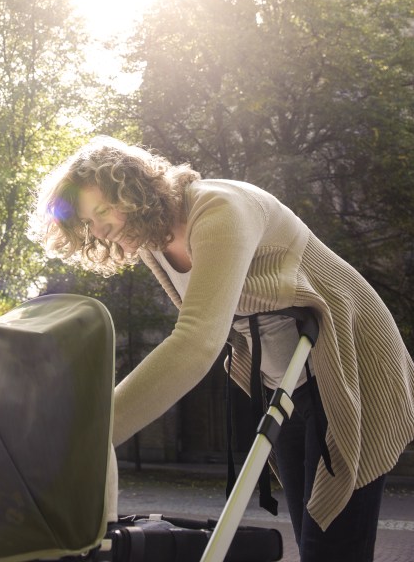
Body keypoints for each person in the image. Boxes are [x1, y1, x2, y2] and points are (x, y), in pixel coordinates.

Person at [32, 136, 414, 562]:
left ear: (136, 189)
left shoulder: (220, 210)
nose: (99, 229)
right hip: (287, 383)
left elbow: (197, 340)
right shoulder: (152, 243)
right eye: (89, 221)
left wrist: (92, 436)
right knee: (311, 529)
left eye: (103, 210)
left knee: (333, 545)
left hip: (352, 364)